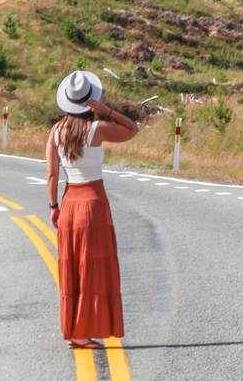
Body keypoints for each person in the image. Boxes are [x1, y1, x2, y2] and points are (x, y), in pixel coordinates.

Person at [46, 69, 139, 350]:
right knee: (93, 266)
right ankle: (87, 329)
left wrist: (54, 206)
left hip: (70, 203)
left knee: (72, 266)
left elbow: (51, 175)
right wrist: (108, 111)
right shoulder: (97, 129)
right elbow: (132, 129)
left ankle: (75, 330)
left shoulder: (56, 131)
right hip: (94, 202)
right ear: (91, 101)